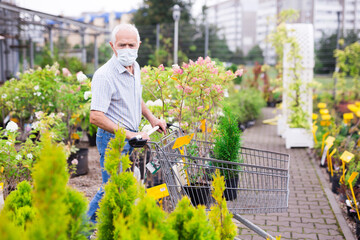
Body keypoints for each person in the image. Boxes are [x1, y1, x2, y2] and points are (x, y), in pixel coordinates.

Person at [87, 23, 167, 224]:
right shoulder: (104, 76)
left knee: (127, 186)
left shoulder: (135, 67)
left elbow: (135, 96)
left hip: (133, 138)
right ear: (112, 46)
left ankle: (120, 226)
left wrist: (152, 119)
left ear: (139, 45)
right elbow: (95, 117)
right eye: (122, 45)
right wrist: (129, 134)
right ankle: (80, 232)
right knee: (110, 189)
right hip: (113, 141)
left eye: (131, 45)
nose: (127, 50)